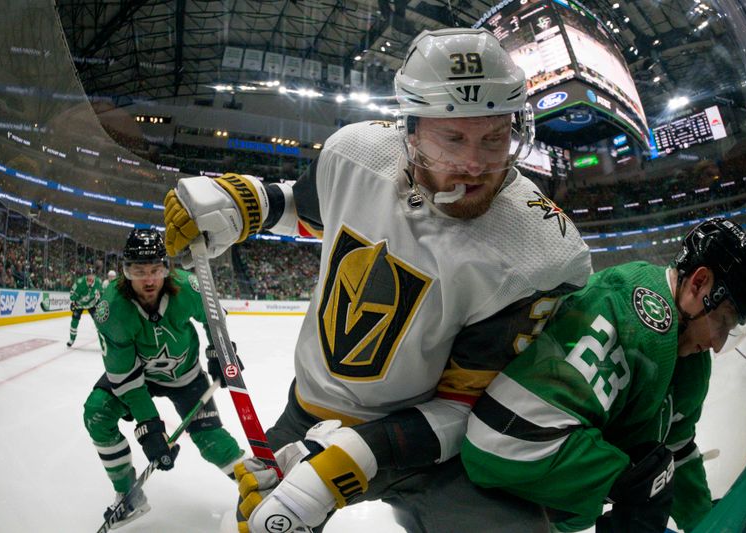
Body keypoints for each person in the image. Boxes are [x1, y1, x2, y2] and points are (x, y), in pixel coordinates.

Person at [163, 28, 592, 533]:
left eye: (494, 137)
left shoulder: (541, 251)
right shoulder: (356, 153)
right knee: (260, 523)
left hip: (429, 447)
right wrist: (250, 204)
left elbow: (471, 406)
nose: (476, 164)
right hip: (307, 413)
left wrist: (365, 452)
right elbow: (313, 208)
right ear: (408, 132)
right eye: (452, 137)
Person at [461, 217, 746, 533]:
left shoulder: (690, 361)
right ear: (698, 283)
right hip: (495, 490)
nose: (718, 345)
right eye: (722, 322)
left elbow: (678, 451)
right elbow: (497, 438)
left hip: (546, 502)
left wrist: (708, 524)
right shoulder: (624, 314)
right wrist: (625, 482)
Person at [82, 229, 245, 528]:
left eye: (155, 270)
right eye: (138, 271)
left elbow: (214, 316)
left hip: (185, 377)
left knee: (212, 442)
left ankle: (254, 485)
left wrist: (220, 352)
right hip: (139, 379)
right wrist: (150, 427)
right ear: (125, 271)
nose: (148, 280)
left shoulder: (187, 287)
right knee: (97, 413)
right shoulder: (112, 309)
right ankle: (127, 495)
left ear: (166, 269)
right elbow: (127, 381)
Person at [67, 268, 102, 347]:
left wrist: (100, 302)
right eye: (89, 275)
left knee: (99, 322)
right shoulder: (79, 282)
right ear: (86, 276)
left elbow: (102, 293)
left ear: (95, 276)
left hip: (92, 304)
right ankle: (72, 339)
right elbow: (72, 294)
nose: (90, 277)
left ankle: (103, 340)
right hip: (79, 305)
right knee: (74, 321)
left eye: (92, 275)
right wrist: (73, 301)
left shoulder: (98, 282)